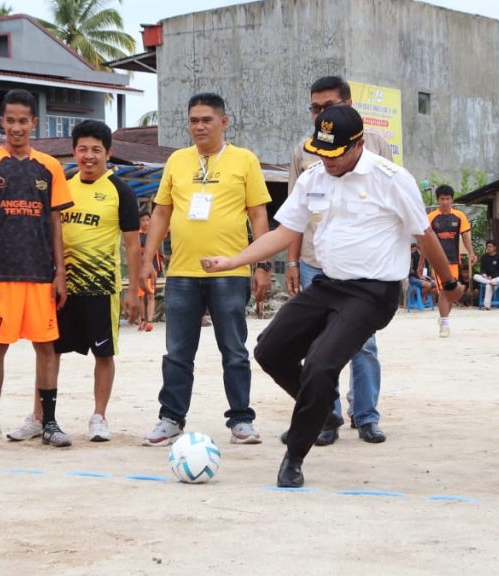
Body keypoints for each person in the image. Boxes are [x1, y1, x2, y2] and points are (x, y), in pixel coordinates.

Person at [200, 105, 462, 487]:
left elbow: (425, 235)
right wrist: (234, 260)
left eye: (335, 153)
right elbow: (284, 231)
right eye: (321, 152)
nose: (327, 161)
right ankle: (323, 410)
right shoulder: (313, 178)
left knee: (321, 365)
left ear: (357, 145)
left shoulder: (391, 179)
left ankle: (294, 457)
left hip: (373, 293)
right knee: (269, 350)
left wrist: (449, 284)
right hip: (328, 283)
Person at [139, 92, 272, 447]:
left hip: (230, 273)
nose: (199, 126)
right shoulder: (178, 161)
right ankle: (170, 418)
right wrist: (146, 260)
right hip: (183, 273)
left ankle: (241, 420)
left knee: (233, 348)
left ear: (223, 122)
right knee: (178, 351)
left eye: (206, 120)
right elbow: (162, 212)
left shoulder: (244, 160)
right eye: (193, 120)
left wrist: (261, 265)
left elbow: (259, 214)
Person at [0, 89, 74, 450]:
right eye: (10, 120)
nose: (16, 127)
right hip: (2, 277)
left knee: (47, 349)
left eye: (23, 121)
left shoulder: (50, 167)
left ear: (34, 123)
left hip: (42, 274)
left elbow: (55, 221)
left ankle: (50, 422)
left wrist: (60, 272)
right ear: (2, 122)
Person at [286, 76, 393, 444]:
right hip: (317, 260)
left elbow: (393, 208)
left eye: (328, 106)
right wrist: (292, 262)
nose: (320, 113)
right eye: (315, 108)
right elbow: (292, 218)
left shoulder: (376, 145)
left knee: (363, 343)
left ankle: (365, 415)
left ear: (348, 104)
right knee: (319, 346)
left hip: (364, 268)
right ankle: (325, 416)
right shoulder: (303, 150)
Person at [36, 120, 142, 442]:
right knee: (49, 351)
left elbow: (133, 246)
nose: (89, 156)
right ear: (74, 151)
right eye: (82, 149)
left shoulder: (120, 190)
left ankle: (99, 416)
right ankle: (40, 415)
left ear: (108, 153)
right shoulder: (64, 185)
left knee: (104, 354)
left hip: (101, 286)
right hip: (63, 287)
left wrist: (133, 291)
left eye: (96, 149)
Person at [426, 185, 473, 337]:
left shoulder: (459, 216)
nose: (445, 202)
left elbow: (465, 236)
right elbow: (425, 239)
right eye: (442, 199)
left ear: (452, 199)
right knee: (444, 292)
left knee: (451, 292)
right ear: (438, 200)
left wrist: (471, 253)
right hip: (437, 261)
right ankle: (445, 325)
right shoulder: (431, 217)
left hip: (454, 260)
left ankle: (443, 318)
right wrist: (423, 261)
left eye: (448, 199)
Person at [137, 210, 162, 331]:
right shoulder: (136, 235)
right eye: (143, 220)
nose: (146, 222)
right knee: (141, 296)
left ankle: (149, 321)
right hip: (140, 269)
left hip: (153, 269)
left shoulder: (154, 234)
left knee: (151, 294)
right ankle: (142, 319)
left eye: (148, 220)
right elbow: (137, 251)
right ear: (139, 222)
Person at [473, 240, 499, 309]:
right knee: (475, 276)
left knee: (488, 286)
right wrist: (484, 274)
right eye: (487, 246)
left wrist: (492, 276)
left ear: (495, 247)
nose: (488, 248)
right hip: (486, 278)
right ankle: (490, 282)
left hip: (496, 278)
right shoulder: (484, 257)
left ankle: (486, 306)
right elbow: (482, 269)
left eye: (490, 246)